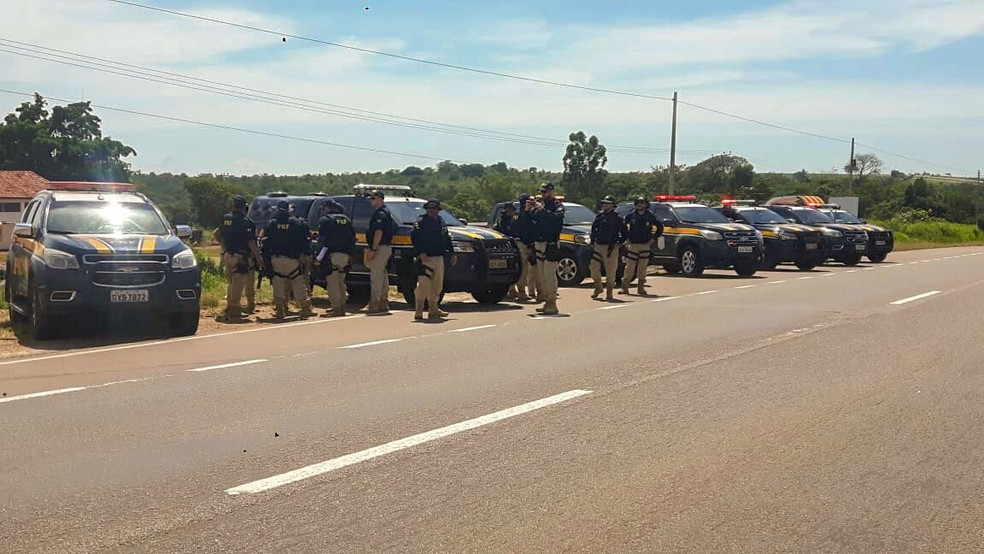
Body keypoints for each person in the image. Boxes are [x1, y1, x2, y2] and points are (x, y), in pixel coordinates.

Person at [216, 195, 264, 321]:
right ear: (244, 207)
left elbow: (217, 234)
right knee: (238, 284)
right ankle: (235, 309)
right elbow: (251, 243)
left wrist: (223, 246)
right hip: (241, 257)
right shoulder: (245, 221)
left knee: (231, 282)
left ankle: (229, 306)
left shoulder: (226, 218)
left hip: (227, 255)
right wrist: (259, 259)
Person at [263, 200, 313, 319]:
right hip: (293, 260)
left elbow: (266, 243)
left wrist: (265, 260)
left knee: (278, 284)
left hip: (276, 259)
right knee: (298, 284)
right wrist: (304, 255)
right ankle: (305, 307)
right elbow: (303, 241)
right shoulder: (296, 223)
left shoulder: (272, 224)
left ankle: (280, 309)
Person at [410, 198, 456, 320]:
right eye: (429, 208)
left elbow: (446, 238)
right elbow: (415, 239)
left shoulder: (440, 221)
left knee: (437, 284)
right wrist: (420, 253)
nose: (431, 210)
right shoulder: (421, 221)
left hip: (439, 256)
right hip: (426, 257)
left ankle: (433, 309)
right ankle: (419, 310)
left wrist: (452, 252)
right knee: (424, 284)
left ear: (438, 210)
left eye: (434, 208)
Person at [315, 200, 356, 317]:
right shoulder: (347, 221)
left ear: (327, 208)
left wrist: (318, 257)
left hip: (331, 255)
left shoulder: (326, 221)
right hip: (345, 255)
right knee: (341, 281)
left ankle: (337, 307)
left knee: (332, 283)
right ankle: (342, 305)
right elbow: (352, 239)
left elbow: (322, 241)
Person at [532, 183, 565, 315]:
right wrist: (529, 210)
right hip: (539, 243)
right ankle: (547, 302)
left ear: (552, 192)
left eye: (546, 192)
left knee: (549, 275)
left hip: (551, 244)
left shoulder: (558, 206)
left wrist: (542, 211)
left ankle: (552, 302)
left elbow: (557, 219)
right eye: (542, 192)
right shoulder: (541, 205)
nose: (544, 194)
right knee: (541, 275)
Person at [622, 196, 663, 296]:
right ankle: (625, 287)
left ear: (646, 205)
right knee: (629, 267)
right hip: (633, 244)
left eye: (642, 203)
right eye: (638, 202)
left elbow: (660, 227)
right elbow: (622, 226)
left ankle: (641, 288)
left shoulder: (650, 216)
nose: (640, 204)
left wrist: (653, 239)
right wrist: (626, 238)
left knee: (642, 267)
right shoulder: (631, 215)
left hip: (645, 244)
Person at [590, 195, 627, 301]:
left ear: (612, 205)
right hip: (599, 245)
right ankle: (598, 287)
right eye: (604, 203)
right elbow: (594, 228)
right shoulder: (600, 216)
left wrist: (619, 243)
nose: (605, 205)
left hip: (611, 247)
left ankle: (609, 291)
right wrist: (593, 241)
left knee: (610, 271)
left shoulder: (618, 218)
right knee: (593, 268)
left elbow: (624, 233)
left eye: (607, 203)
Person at [365, 190, 395, 314]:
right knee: (382, 274)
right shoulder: (387, 212)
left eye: (373, 198)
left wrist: (373, 249)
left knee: (376, 275)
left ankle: (375, 303)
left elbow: (378, 232)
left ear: (380, 199)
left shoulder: (380, 214)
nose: (371, 200)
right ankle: (383, 302)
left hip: (380, 247)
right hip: (385, 247)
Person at [494, 202, 528, 301]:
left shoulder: (514, 219)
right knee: (514, 268)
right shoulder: (504, 220)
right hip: (510, 245)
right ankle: (513, 291)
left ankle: (519, 291)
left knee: (519, 269)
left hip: (514, 244)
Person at [517, 193, 541, 302]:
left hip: (533, 243)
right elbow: (521, 226)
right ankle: (521, 292)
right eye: (528, 201)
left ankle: (536, 291)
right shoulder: (520, 214)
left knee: (536, 270)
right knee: (523, 270)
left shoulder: (533, 212)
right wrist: (527, 211)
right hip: (522, 244)